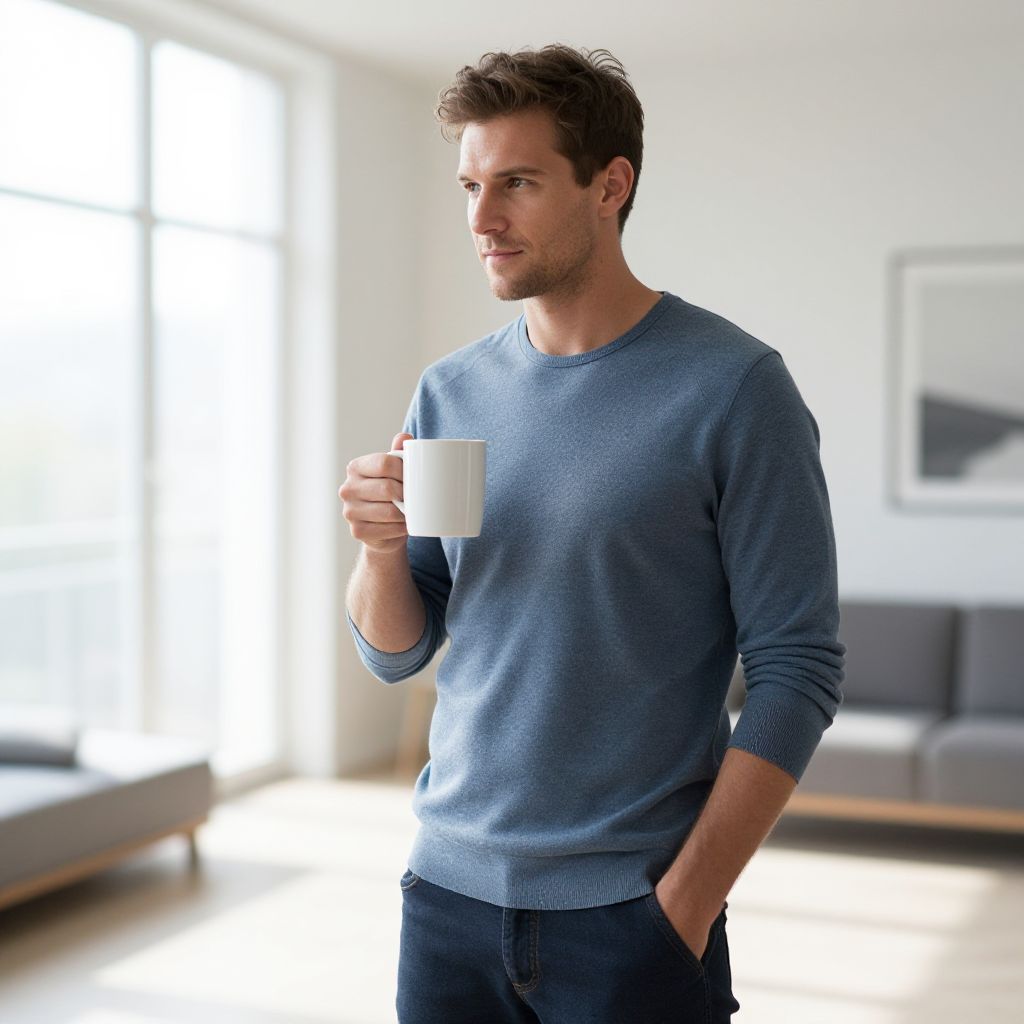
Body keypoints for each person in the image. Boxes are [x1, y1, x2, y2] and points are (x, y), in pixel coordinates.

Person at [339, 44, 845, 1023]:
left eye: (517, 183)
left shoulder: (733, 389)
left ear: (609, 185)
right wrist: (375, 550)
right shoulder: (452, 391)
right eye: (471, 185)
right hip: (444, 894)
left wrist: (683, 906)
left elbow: (797, 669)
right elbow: (401, 648)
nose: (482, 220)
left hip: (630, 914)